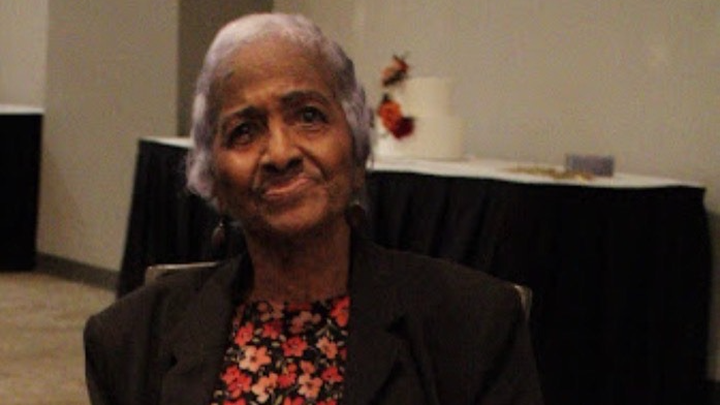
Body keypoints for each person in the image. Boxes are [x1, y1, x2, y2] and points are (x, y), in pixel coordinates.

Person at [84, 13, 543, 405]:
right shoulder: (127, 341)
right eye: (244, 131)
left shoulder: (473, 326)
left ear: (356, 147)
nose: (280, 153)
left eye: (308, 116)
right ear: (213, 180)